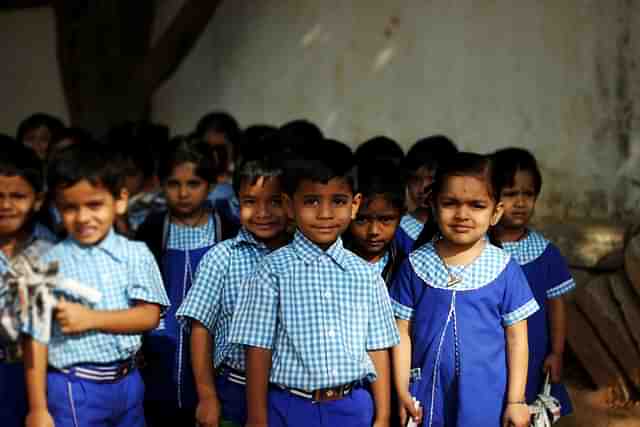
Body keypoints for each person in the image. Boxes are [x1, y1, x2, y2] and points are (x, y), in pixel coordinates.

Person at [229, 141, 399, 427]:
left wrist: (382, 416)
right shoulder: (270, 272)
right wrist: (257, 418)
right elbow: (258, 350)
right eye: (311, 201)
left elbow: (377, 348)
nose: (325, 214)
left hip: (353, 406)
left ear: (355, 205)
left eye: (338, 201)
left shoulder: (367, 275)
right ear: (289, 206)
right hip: (288, 407)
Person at [22, 143, 170, 427]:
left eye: (94, 205)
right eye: (69, 207)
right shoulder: (43, 262)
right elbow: (35, 339)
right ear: (56, 207)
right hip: (74, 386)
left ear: (120, 201)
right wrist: (37, 408)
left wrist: (90, 318)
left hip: (129, 382)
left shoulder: (136, 254)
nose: (83, 217)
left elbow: (149, 316)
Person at [390, 152, 538, 427]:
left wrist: (516, 401)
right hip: (423, 397)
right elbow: (401, 334)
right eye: (450, 203)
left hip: (487, 401)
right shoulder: (415, 264)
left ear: (496, 213)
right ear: (433, 205)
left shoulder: (505, 268)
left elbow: (518, 339)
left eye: (477, 205)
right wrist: (401, 392)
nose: (462, 215)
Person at [176, 156, 290, 427]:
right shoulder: (222, 257)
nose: (262, 213)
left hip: (289, 390)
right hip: (234, 387)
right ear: (237, 202)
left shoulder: (302, 257)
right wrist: (207, 397)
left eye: (274, 201)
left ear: (291, 203)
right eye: (250, 202)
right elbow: (201, 327)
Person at [135, 137, 237, 426]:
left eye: (193, 184)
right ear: (159, 183)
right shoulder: (151, 229)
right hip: (160, 344)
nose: (182, 193)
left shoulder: (227, 228)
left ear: (212, 184)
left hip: (217, 344)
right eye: (173, 184)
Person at [493, 147, 574, 417]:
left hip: (535, 352)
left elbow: (557, 306)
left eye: (527, 194)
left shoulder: (546, 253)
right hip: (489, 353)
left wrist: (557, 352)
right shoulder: (478, 251)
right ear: (492, 197)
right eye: (510, 194)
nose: (520, 202)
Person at [0, 141, 54, 427]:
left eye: (17, 196)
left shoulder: (49, 248)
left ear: (37, 199)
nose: (6, 205)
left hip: (35, 371)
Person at [345, 162, 406, 285]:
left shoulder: (405, 265)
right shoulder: (331, 262)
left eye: (385, 220)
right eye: (361, 219)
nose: (374, 231)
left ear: (401, 215)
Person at [395, 135, 458, 254]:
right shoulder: (397, 228)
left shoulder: (461, 227)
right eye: (415, 179)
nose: (423, 188)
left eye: (432, 179)